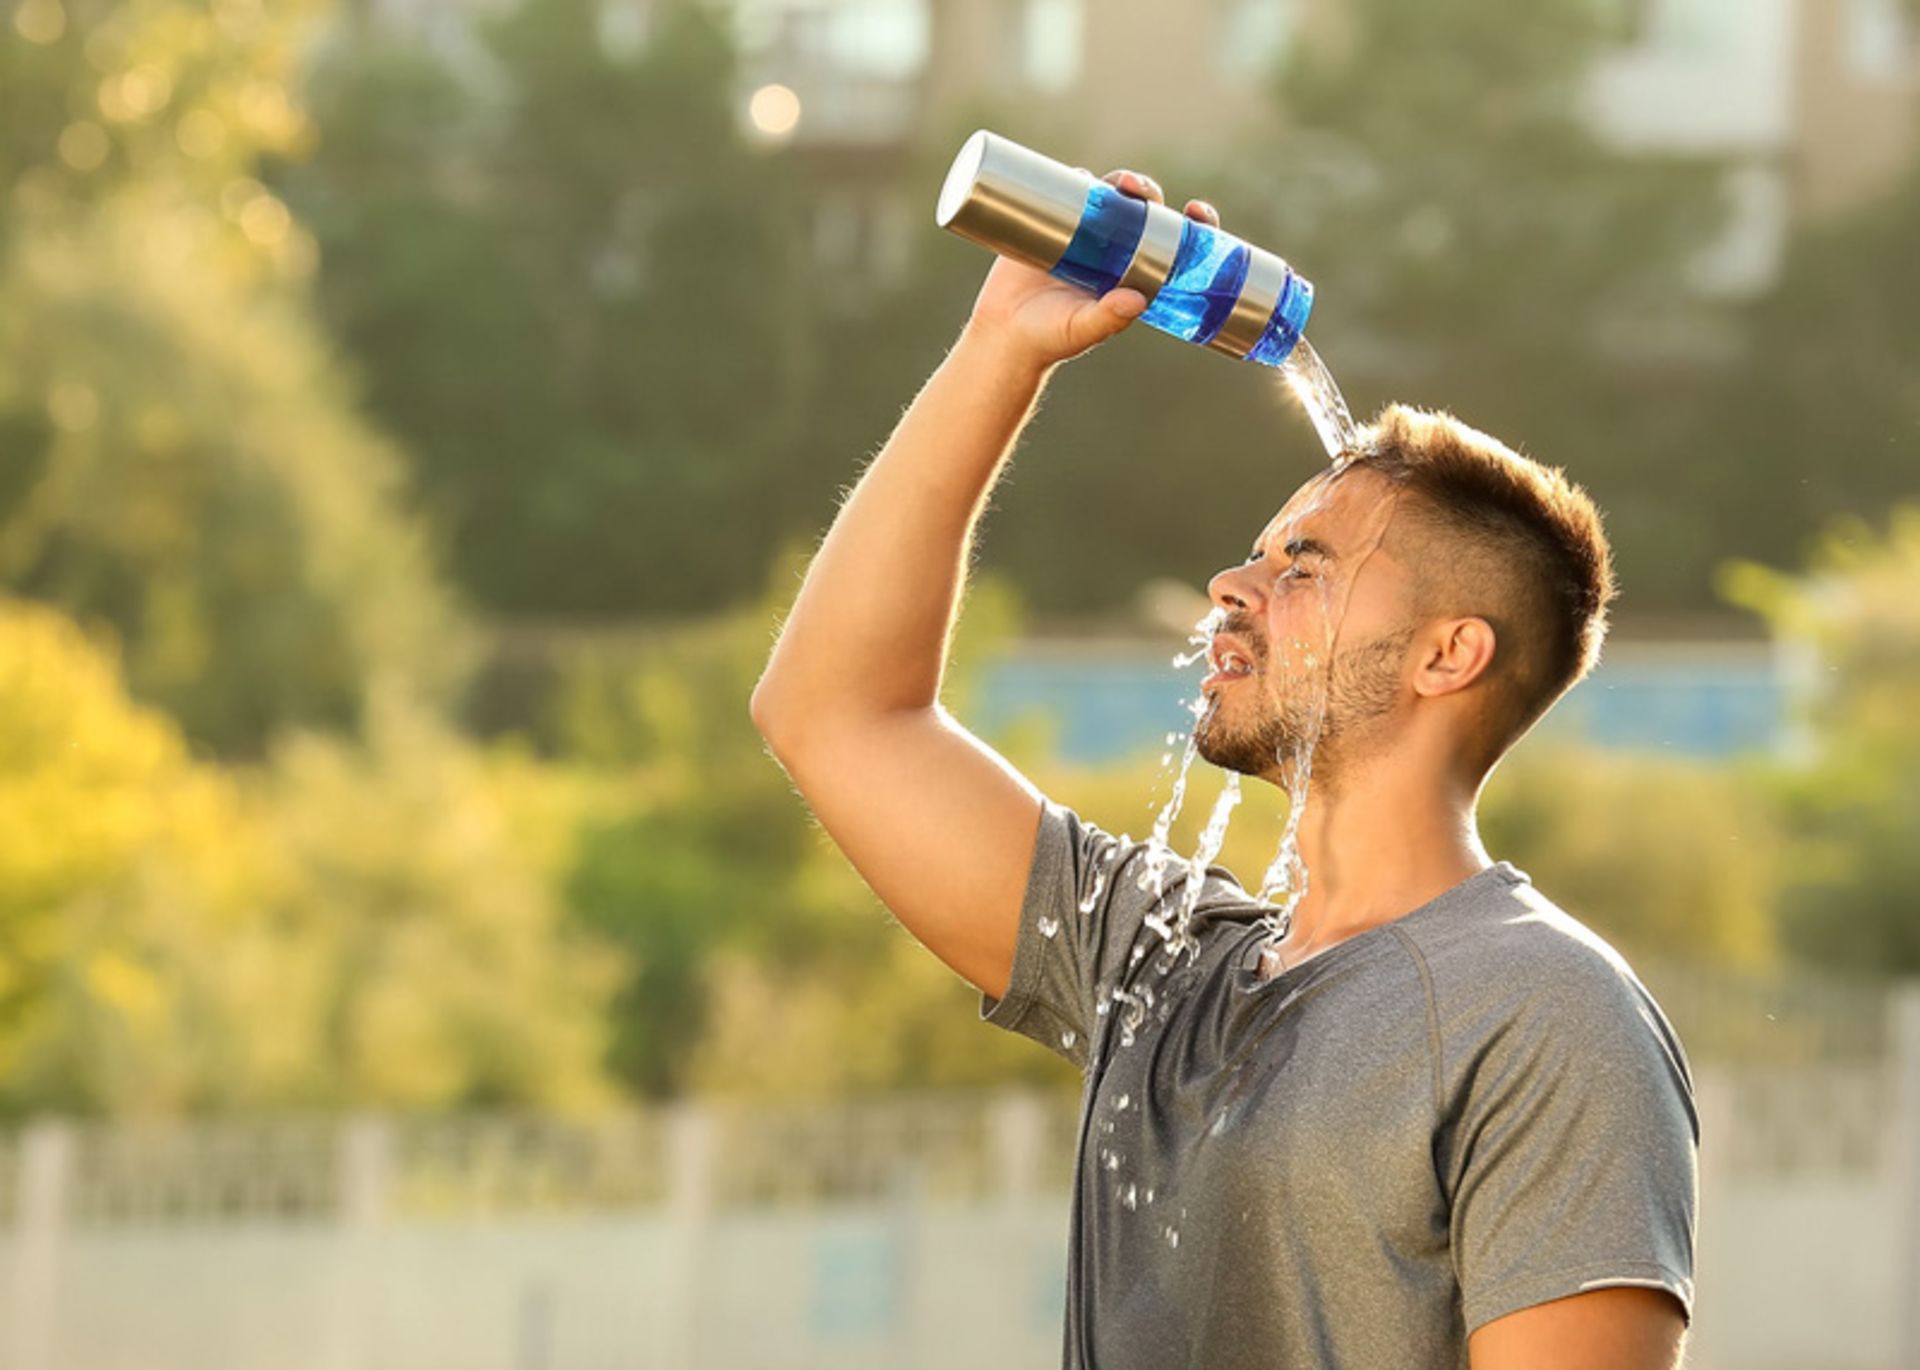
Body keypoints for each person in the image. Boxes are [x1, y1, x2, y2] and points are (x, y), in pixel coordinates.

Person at [750, 167, 1697, 1369]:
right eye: (1255, 557)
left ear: (1448, 654)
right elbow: (832, 712)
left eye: (1303, 566)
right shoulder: (1161, 965)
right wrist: (1001, 350)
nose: (1231, 589)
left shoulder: (1547, 1013)